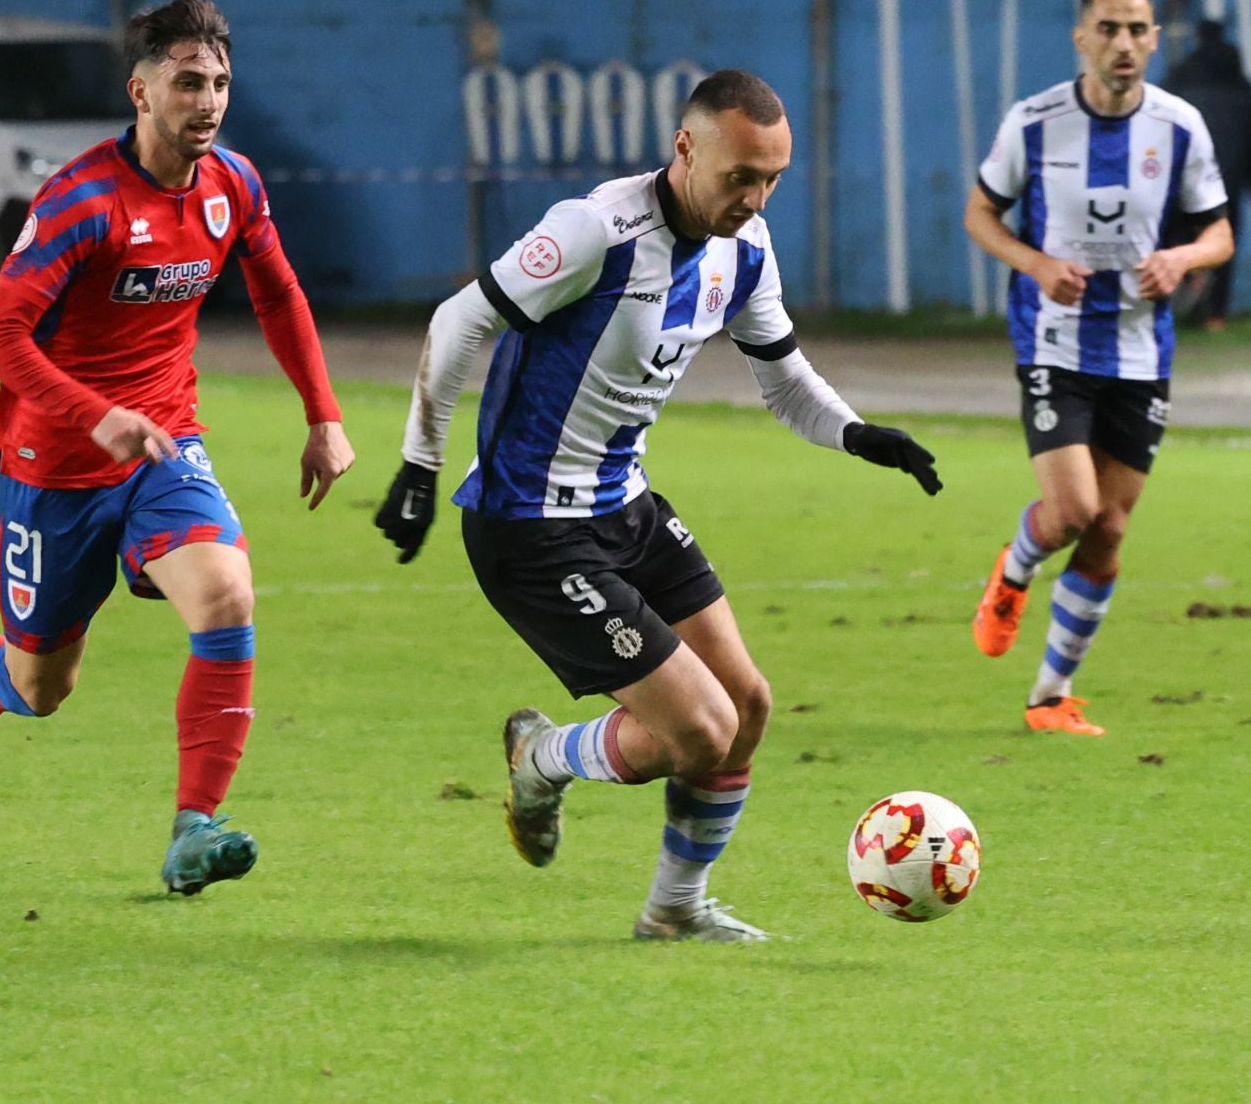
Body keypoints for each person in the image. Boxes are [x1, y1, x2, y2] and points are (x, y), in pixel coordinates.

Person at [372, 69, 942, 941]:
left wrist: (860, 434)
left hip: (626, 508)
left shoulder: (744, 250)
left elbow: (786, 380)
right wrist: (419, 464)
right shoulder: (593, 230)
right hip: (531, 529)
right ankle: (543, 756)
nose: (754, 198)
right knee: (702, 729)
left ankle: (675, 910)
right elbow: (459, 321)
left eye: (772, 178)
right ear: (685, 148)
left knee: (747, 704)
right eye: (739, 176)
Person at [0, 0, 356, 894]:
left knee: (225, 596)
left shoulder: (234, 187)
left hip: (163, 447)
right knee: (39, 686)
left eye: (221, 82)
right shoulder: (81, 200)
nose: (210, 101)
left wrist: (323, 411)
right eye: (189, 82)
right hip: (54, 467)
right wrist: (91, 414)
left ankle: (196, 826)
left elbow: (278, 292)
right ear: (140, 92)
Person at [964, 0, 1233, 736]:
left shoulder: (1180, 126)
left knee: (1109, 528)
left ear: (1154, 39)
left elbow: (1220, 233)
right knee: (1074, 509)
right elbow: (980, 214)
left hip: (1142, 351)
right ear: (1082, 38)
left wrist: (1183, 260)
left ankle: (1051, 696)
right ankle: (1014, 570)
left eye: (1138, 29)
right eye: (1109, 28)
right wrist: (1037, 264)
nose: (1124, 43)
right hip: (1054, 343)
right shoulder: (1036, 122)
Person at [1164, 19, 1251, 329]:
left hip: (1183, 172)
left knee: (1177, 237)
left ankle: (1174, 300)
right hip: (1227, 175)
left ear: (1197, 37)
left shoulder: (1179, 76)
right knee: (1222, 240)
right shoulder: (1240, 82)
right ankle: (1216, 314)